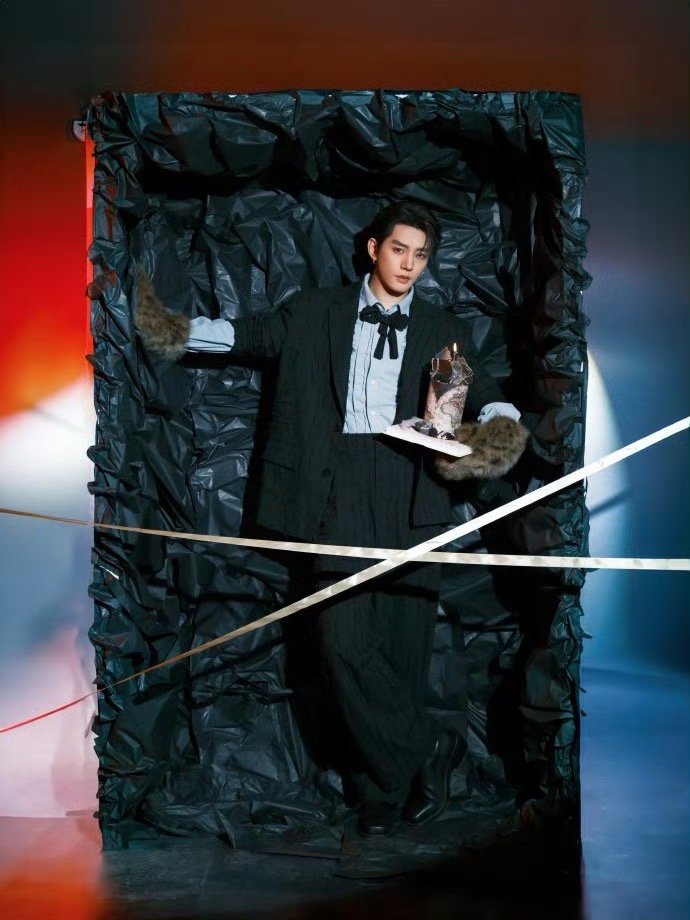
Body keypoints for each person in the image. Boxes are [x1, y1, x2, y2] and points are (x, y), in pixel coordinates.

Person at [135, 200, 527, 838]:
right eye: (399, 249)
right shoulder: (316, 310)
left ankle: (382, 796)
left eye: (421, 255)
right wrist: (165, 325)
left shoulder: (440, 326)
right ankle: (422, 753)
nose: (409, 264)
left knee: (402, 647)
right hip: (333, 489)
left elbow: (475, 393)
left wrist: (503, 424)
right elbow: (243, 335)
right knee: (343, 643)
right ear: (373, 248)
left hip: (411, 490)